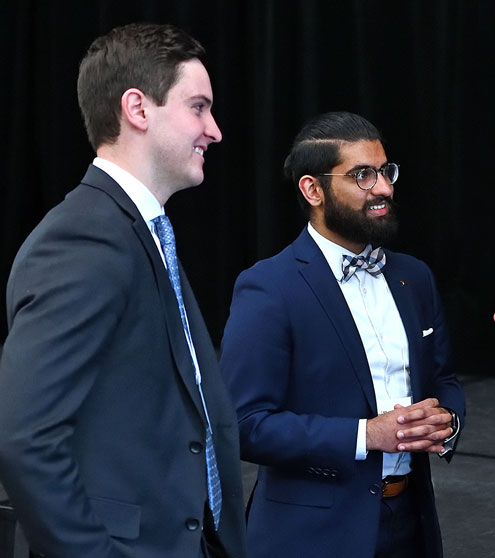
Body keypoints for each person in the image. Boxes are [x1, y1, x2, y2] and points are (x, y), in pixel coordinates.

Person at [0, 23, 245, 557]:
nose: (215, 130)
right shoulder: (83, 237)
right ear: (137, 109)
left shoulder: (142, 230)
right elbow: (27, 440)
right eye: (198, 107)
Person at [219, 111, 465, 558]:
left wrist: (446, 422)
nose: (385, 189)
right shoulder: (269, 287)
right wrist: (366, 434)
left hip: (412, 523)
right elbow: (243, 425)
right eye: (362, 176)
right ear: (313, 189)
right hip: (310, 536)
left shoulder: (415, 277)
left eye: (385, 172)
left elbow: (444, 379)